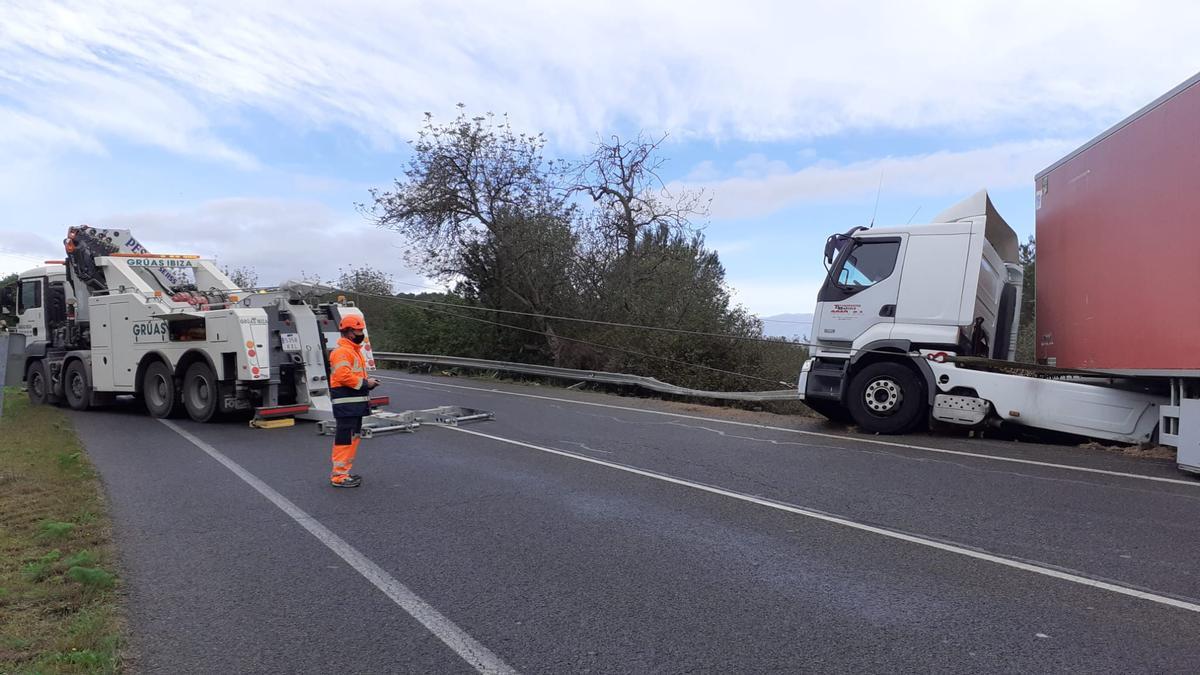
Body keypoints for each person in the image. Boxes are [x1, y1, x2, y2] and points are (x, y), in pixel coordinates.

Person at [328, 314, 379, 488]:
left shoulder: (352, 351)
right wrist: (366, 383)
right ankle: (339, 476)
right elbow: (343, 376)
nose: (361, 333)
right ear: (349, 332)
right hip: (346, 403)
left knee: (351, 438)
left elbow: (351, 375)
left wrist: (367, 382)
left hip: (353, 404)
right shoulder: (342, 351)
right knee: (345, 439)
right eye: (358, 330)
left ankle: (344, 472)